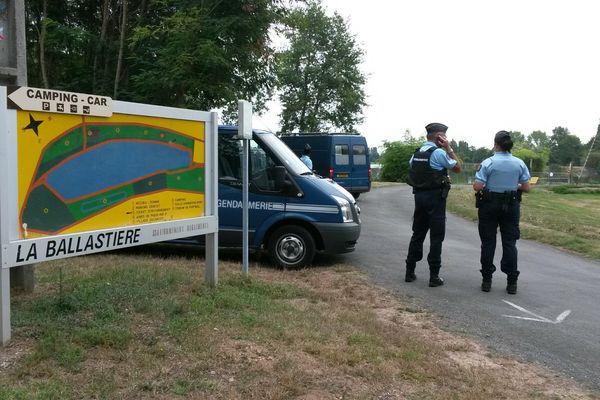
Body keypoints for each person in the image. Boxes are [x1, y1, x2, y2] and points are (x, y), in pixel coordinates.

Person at [473, 130, 531, 294]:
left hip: (490, 204)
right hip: (511, 205)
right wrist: (514, 186)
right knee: (510, 243)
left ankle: (486, 280)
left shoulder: (488, 162)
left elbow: (478, 186)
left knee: (488, 242)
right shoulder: (519, 163)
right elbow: (526, 187)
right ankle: (512, 282)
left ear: (495, 144)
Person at [405, 123, 461, 287]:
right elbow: (457, 167)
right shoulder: (438, 153)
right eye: (444, 136)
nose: (446, 139)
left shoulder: (416, 154)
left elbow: (412, 168)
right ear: (439, 137)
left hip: (419, 197)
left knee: (418, 234)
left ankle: (410, 271)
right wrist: (449, 148)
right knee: (436, 237)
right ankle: (433, 276)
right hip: (436, 198)